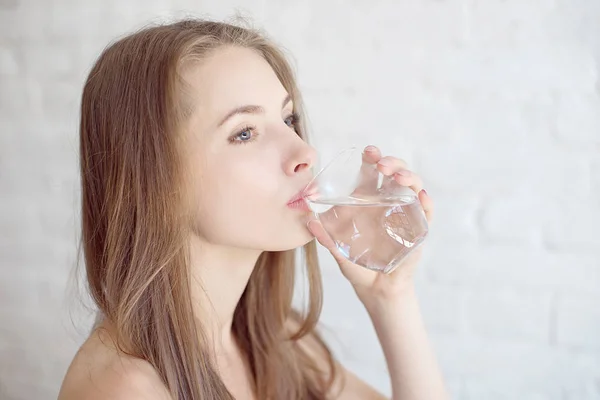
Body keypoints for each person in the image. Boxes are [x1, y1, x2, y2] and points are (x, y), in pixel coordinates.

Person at [57, 18, 448, 400]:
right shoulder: (123, 389)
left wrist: (390, 295)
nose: (304, 152)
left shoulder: (280, 343)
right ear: (155, 179)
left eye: (287, 118)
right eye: (244, 132)